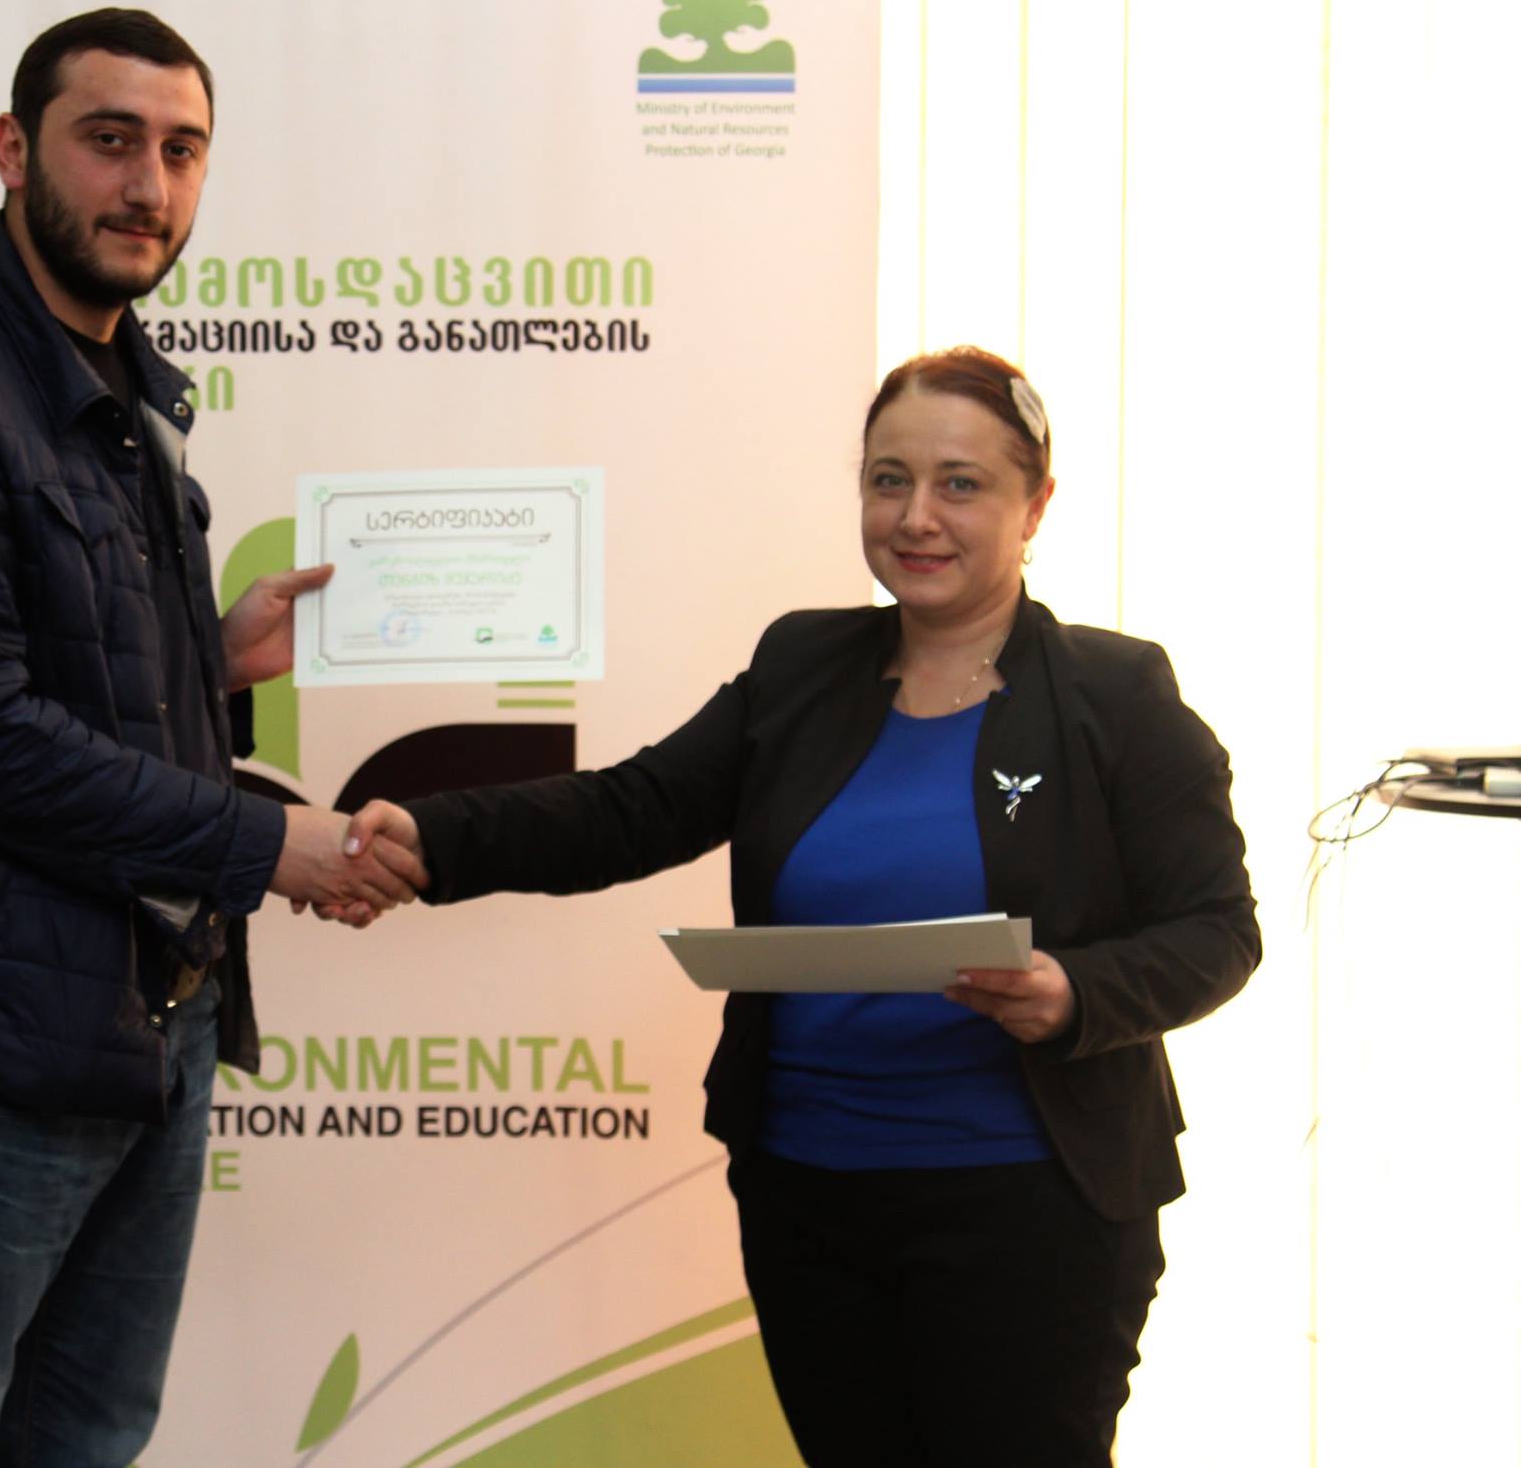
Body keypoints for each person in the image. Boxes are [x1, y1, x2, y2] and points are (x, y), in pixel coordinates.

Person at [330, 347, 1261, 1466]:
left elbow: (1218, 928)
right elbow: (632, 809)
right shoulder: (801, 665)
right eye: (887, 479)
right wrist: (433, 838)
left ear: (1035, 506)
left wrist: (1076, 991)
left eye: (960, 484)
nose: (915, 517)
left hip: (1030, 1204)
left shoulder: (1117, 693)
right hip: (808, 1197)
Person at [0, 8, 423, 1465]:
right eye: (109, 140)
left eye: (182, 150)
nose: (149, 186)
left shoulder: (124, 383)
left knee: (86, 1437)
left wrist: (214, 657)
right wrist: (267, 843)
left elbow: (66, 675)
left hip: (150, 1017)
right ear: (15, 151)